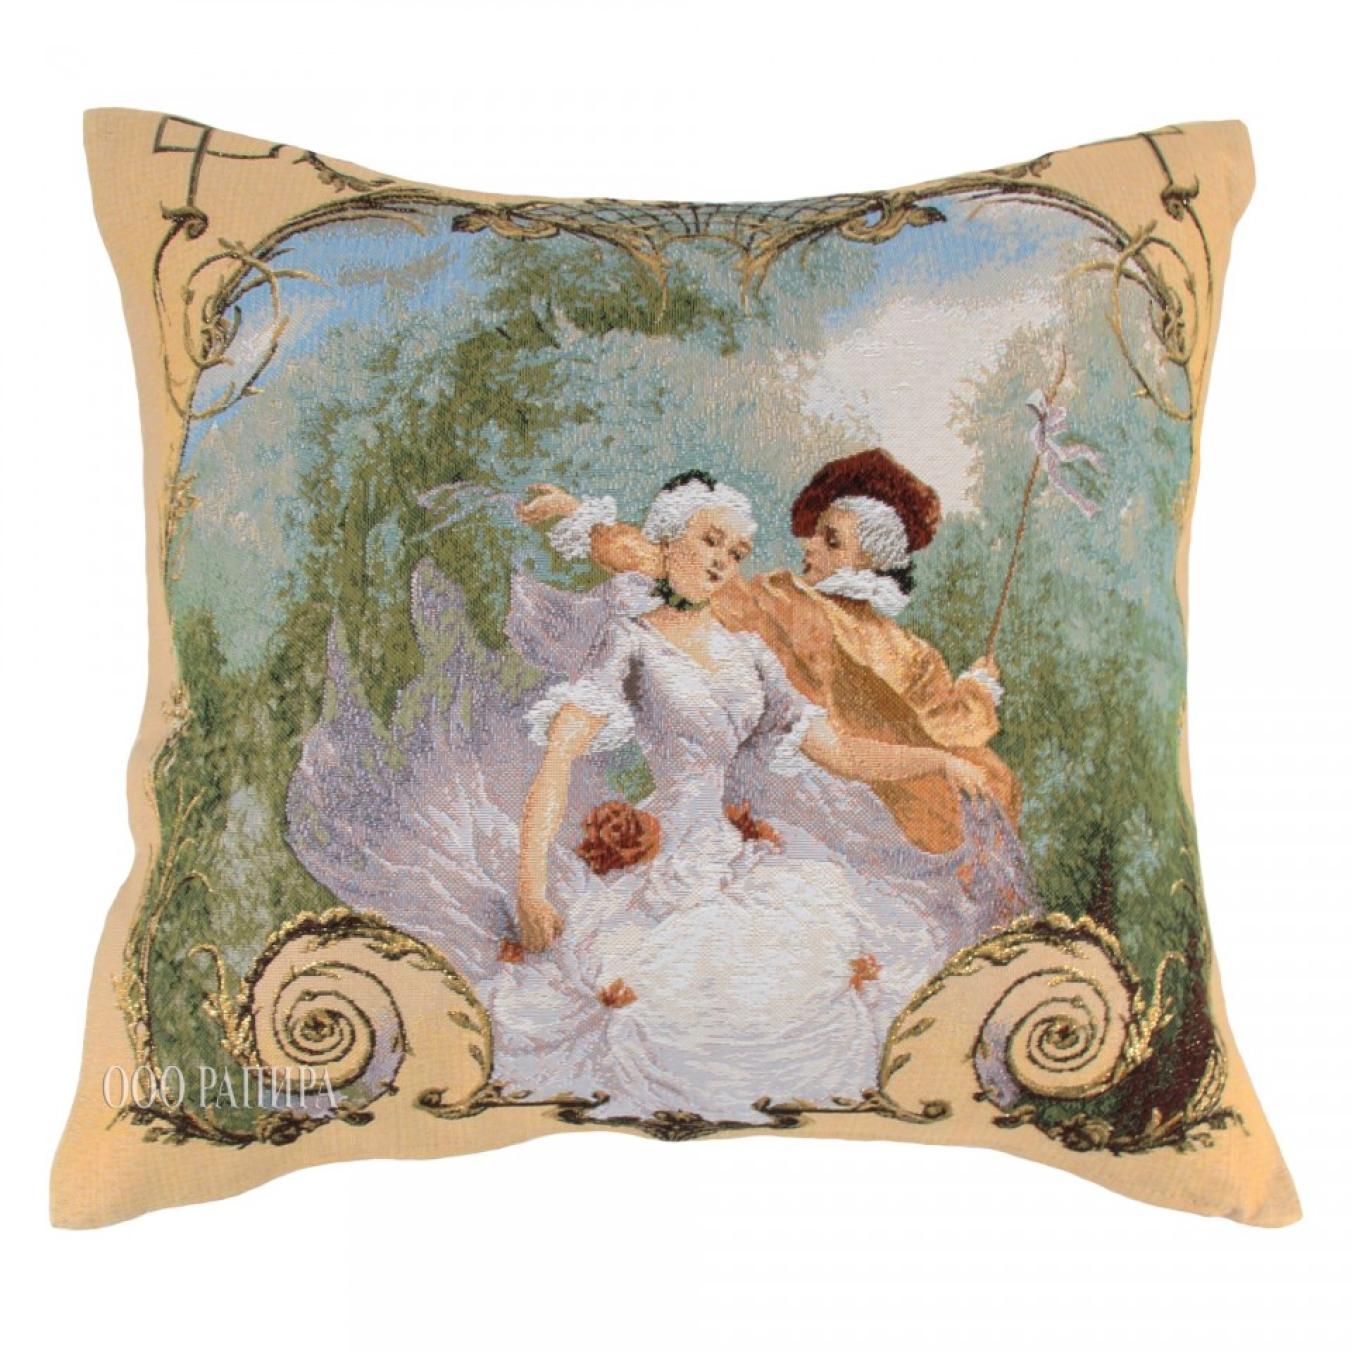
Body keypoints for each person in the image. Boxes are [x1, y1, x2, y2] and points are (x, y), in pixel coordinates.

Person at [287, 471, 1027, 1124]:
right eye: (710, 541)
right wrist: (530, 884)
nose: (722, 560)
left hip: (741, 857)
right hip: (666, 867)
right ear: (670, 541)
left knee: (813, 970)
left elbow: (839, 752)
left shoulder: (751, 654)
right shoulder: (631, 642)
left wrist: (935, 759)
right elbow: (558, 757)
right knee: (659, 998)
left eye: (737, 551)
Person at [519, 449, 1023, 857]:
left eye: (830, 540)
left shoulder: (912, 655)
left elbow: (949, 723)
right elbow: (671, 563)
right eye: (815, 532)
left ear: (871, 559)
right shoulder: (781, 599)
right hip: (796, 797)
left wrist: (976, 689)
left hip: (884, 805)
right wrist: (585, 522)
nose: (809, 545)